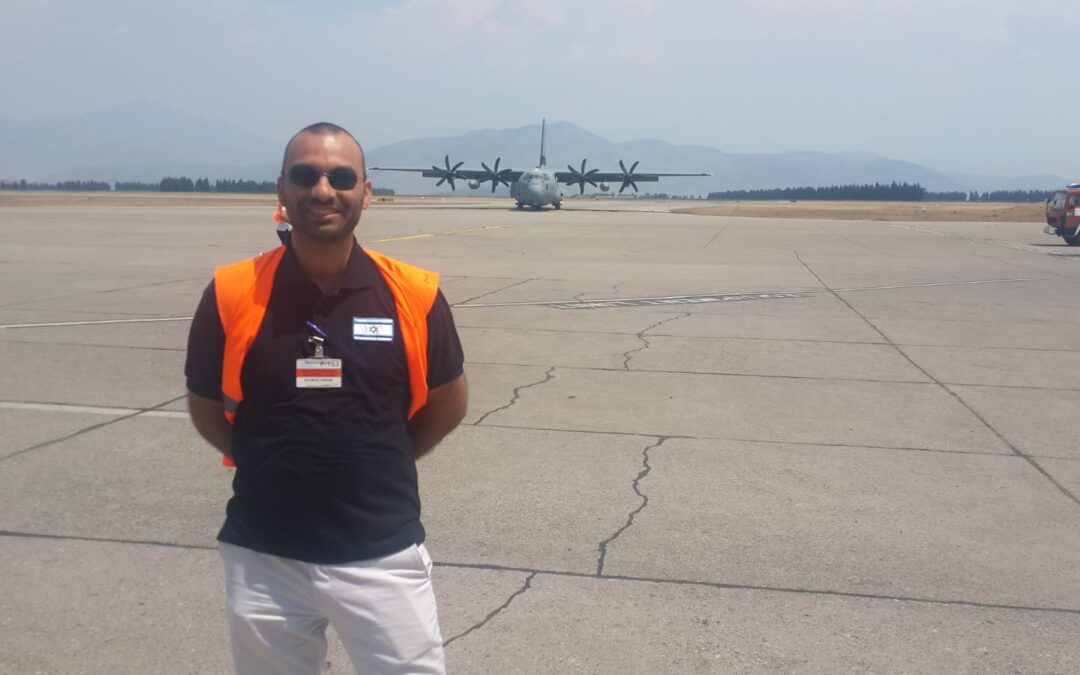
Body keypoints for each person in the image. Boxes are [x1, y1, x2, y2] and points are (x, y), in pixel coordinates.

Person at [185, 122, 467, 675]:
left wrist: (385, 456)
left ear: (366, 192)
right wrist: (260, 457)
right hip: (264, 558)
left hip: (383, 556)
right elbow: (204, 403)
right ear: (282, 189)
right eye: (305, 175)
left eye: (340, 177)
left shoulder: (415, 294)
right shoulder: (231, 291)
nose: (322, 190)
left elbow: (449, 401)